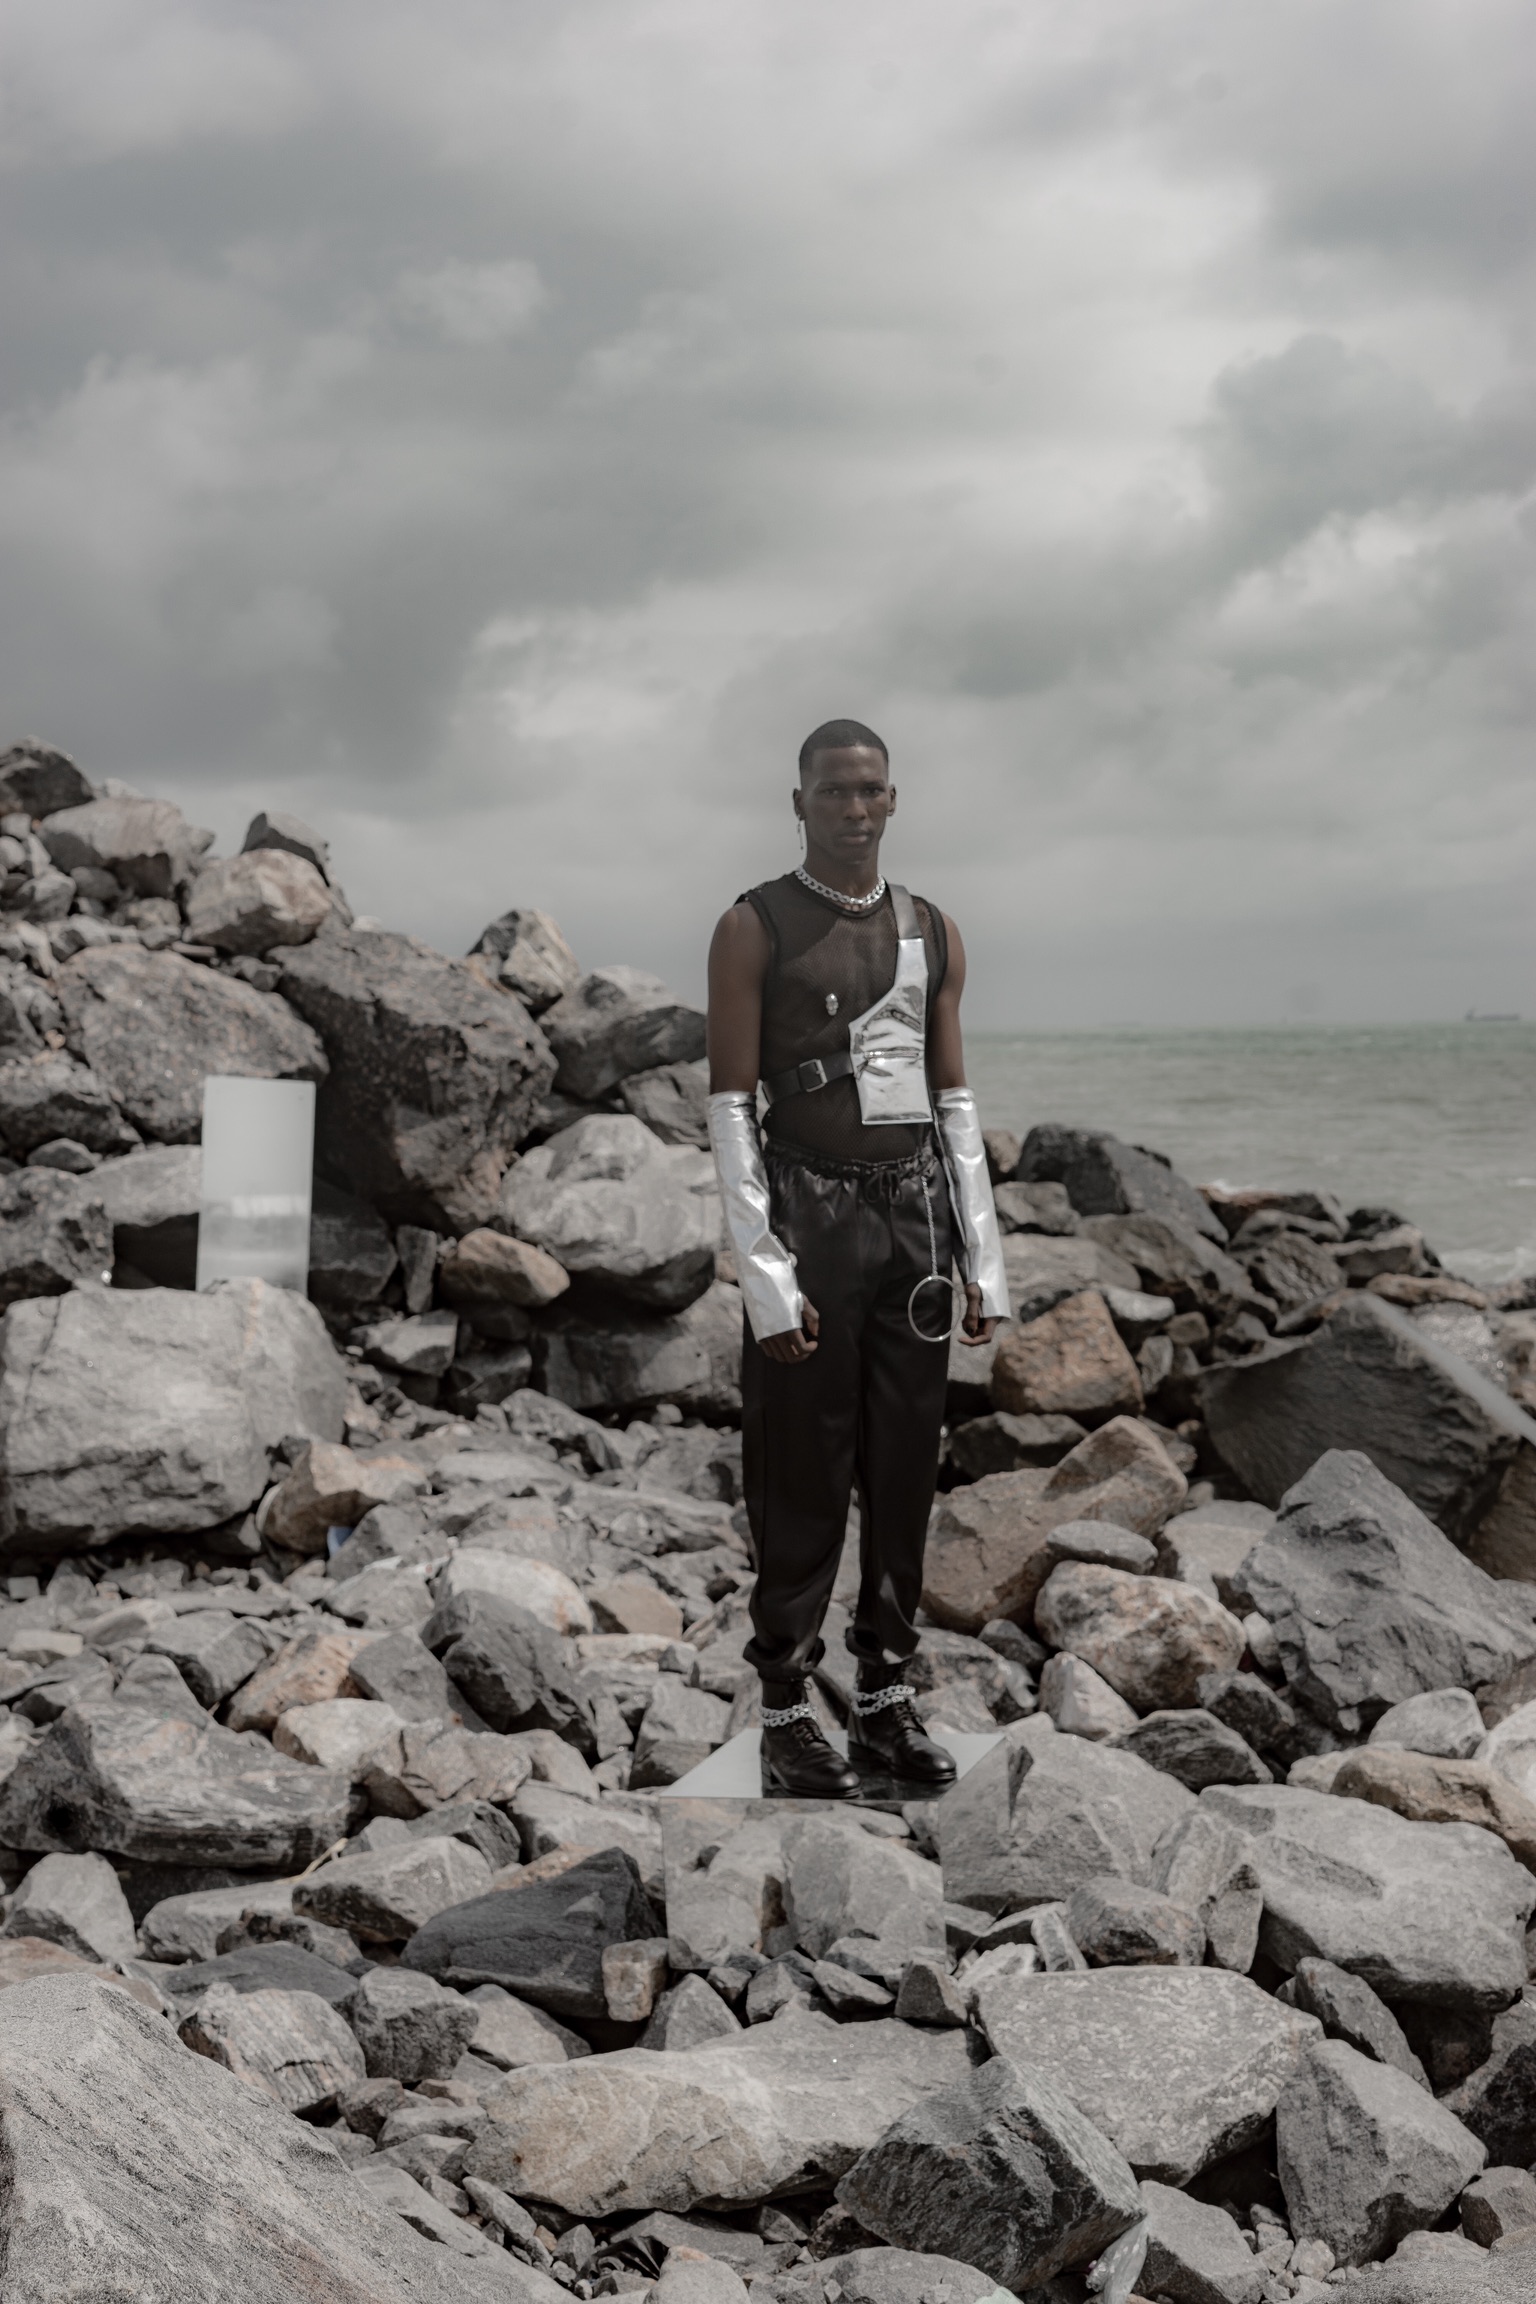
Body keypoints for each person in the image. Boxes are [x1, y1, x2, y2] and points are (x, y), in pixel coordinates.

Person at [706, 719, 1007, 1796]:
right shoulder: (753, 926)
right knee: (801, 1464)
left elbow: (954, 1098)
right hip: (809, 1213)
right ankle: (787, 1710)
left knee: (904, 1465)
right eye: (832, 791)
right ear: (800, 803)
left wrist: (984, 1260)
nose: (853, 807)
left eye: (870, 789)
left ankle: (884, 1700)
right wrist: (765, 1273)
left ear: (893, 800)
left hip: (914, 1218)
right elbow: (730, 1109)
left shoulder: (933, 929)